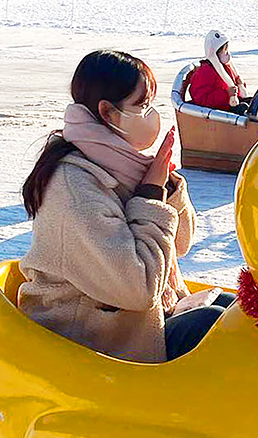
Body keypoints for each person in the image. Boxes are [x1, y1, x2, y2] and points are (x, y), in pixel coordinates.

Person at [18, 50, 225, 364]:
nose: (151, 115)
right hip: (94, 337)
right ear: (108, 113)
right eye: (142, 105)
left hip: (139, 320)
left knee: (242, 312)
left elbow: (180, 244)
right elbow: (137, 288)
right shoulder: (75, 186)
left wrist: (166, 187)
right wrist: (151, 195)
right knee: (217, 328)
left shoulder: (124, 162)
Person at [187, 30, 249, 110]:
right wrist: (226, 94)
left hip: (229, 105)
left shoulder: (226, 67)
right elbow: (201, 99)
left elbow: (235, 92)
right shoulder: (205, 72)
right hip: (218, 111)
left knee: (256, 104)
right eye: (224, 51)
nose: (227, 54)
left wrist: (240, 85)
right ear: (215, 53)